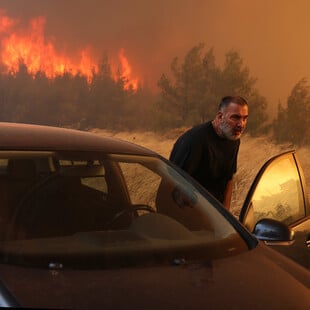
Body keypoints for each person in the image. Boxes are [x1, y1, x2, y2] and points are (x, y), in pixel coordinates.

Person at [169, 96, 248, 211]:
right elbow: (175, 185)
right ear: (220, 116)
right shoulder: (196, 139)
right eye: (235, 118)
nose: (241, 124)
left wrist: (226, 214)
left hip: (215, 214)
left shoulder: (233, 138)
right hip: (189, 212)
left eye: (245, 118)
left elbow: (229, 178)